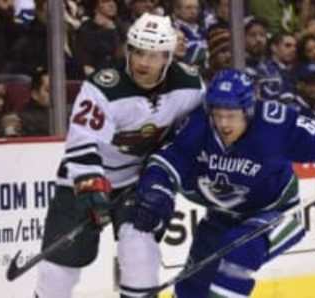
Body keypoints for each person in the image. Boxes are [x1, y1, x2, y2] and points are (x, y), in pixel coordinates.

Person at [132, 69, 315, 297]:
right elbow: (166, 162)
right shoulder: (197, 125)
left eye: (231, 115)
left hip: (278, 213)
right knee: (192, 287)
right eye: (218, 114)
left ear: (248, 111)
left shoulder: (275, 123)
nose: (223, 124)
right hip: (220, 217)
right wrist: (156, 189)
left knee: (239, 255)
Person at [33, 13, 205, 298]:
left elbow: (196, 133)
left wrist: (167, 171)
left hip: (138, 180)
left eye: (152, 55)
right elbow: (81, 142)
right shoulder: (103, 87)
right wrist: (91, 187)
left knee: (141, 255)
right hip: (84, 180)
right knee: (58, 273)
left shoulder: (189, 86)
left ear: (168, 56)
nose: (142, 62)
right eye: (137, 51)